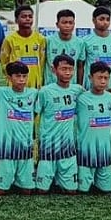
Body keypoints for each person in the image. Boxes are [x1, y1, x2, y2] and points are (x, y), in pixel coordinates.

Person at [0, 61, 39, 195]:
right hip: (6, 150)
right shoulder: (0, 93)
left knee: (27, 191)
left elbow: (36, 111)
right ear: (9, 78)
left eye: (24, 76)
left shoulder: (34, 93)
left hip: (25, 148)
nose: (22, 80)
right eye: (18, 76)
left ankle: (18, 179)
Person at [35, 54, 81, 194]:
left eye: (70, 69)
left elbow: (95, 94)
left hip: (68, 149)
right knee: (41, 191)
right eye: (63, 69)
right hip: (48, 147)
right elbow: (34, 113)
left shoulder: (78, 90)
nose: (67, 72)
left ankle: (61, 178)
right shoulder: (45, 92)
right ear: (54, 69)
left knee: (72, 191)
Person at [75, 61, 111, 194]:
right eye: (99, 77)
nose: (103, 81)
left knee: (107, 190)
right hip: (85, 152)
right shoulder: (80, 98)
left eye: (106, 78)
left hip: (105, 153)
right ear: (90, 78)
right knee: (83, 190)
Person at [0, 5, 47, 89]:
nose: (28, 19)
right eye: (24, 16)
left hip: (34, 85)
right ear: (16, 20)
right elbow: (4, 62)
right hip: (15, 85)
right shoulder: (9, 40)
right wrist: (12, 77)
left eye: (30, 16)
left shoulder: (40, 39)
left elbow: (42, 62)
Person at [78, 6, 111, 92]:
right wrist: (79, 85)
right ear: (94, 20)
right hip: (91, 85)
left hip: (110, 85)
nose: (105, 22)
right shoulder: (85, 41)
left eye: (107, 19)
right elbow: (80, 66)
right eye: (101, 19)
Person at [44, 9, 84, 86]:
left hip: (70, 86)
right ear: (57, 24)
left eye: (70, 23)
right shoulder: (48, 41)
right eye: (64, 22)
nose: (67, 26)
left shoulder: (80, 43)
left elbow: (80, 66)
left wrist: (79, 85)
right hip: (50, 85)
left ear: (74, 24)